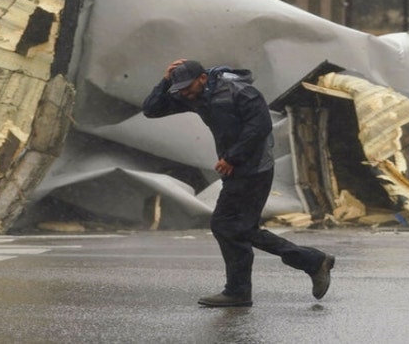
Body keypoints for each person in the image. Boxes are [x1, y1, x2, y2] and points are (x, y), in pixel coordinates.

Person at [142, 58, 335, 308]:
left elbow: (260, 126)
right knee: (238, 228)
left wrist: (233, 157)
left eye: (188, 87)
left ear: (202, 78)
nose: (186, 94)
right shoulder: (195, 95)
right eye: (181, 90)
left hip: (255, 168)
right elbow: (151, 110)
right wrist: (166, 81)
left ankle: (246, 287)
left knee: (228, 226)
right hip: (236, 168)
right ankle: (302, 266)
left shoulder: (239, 91)